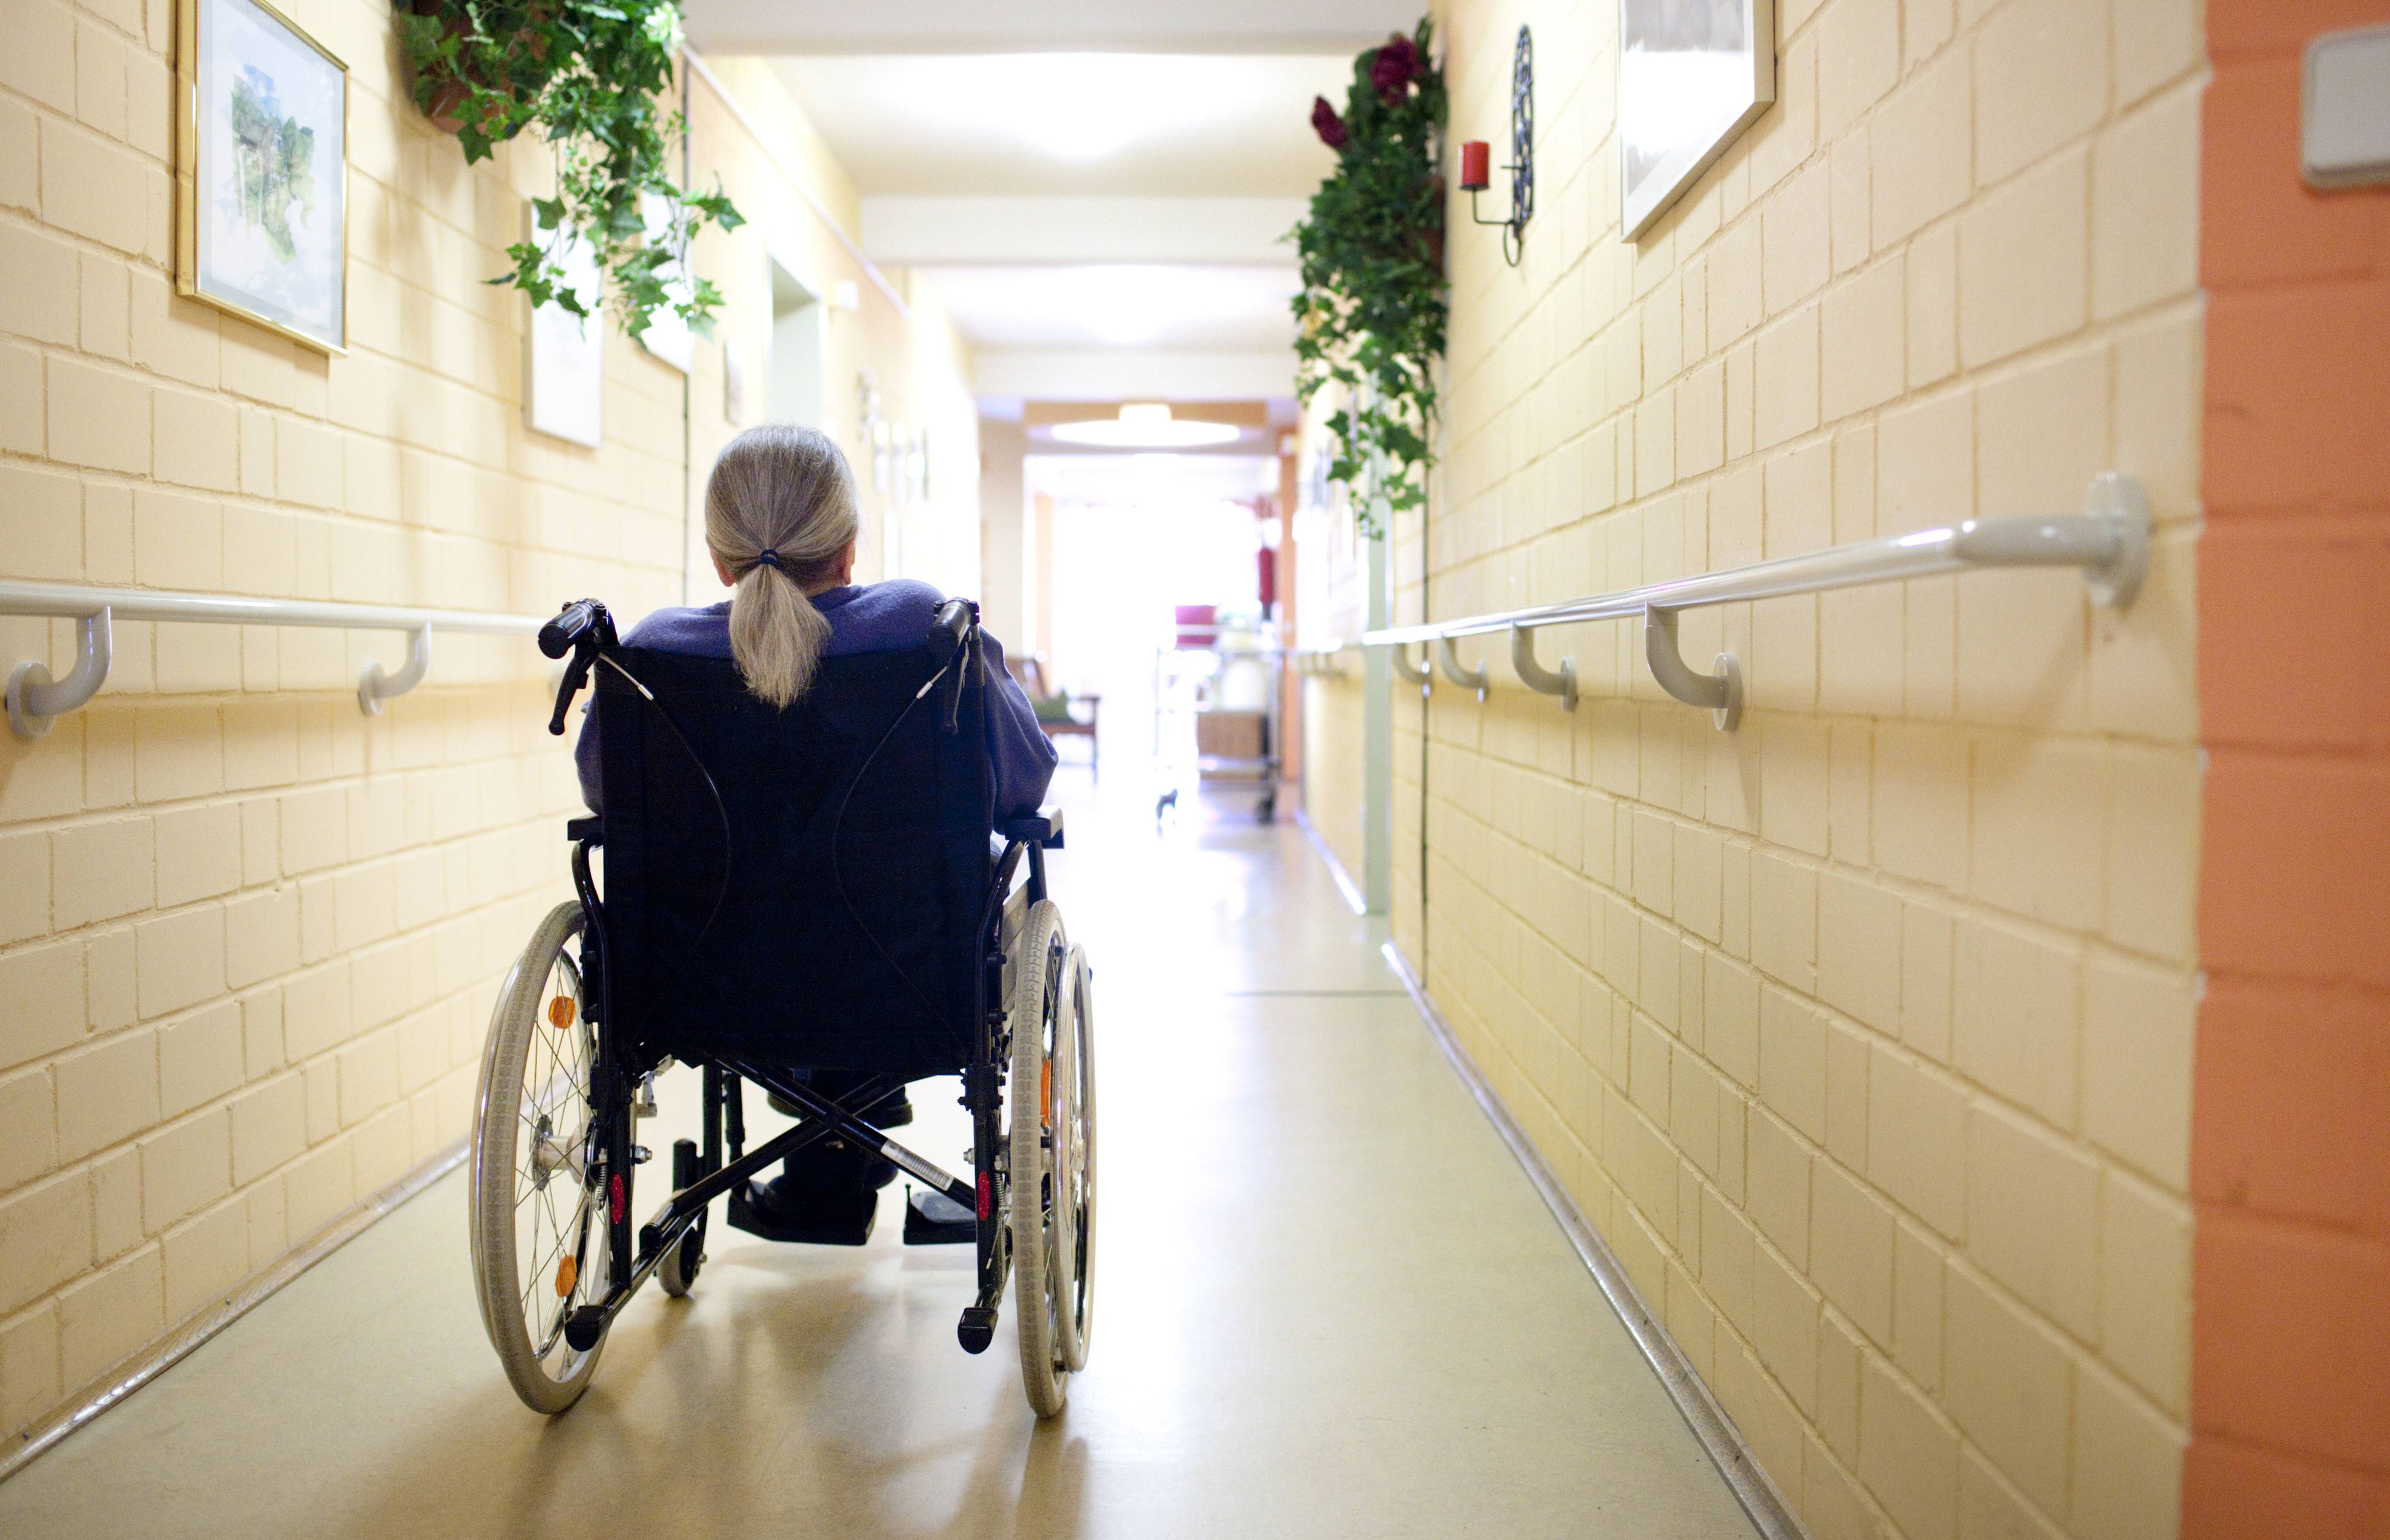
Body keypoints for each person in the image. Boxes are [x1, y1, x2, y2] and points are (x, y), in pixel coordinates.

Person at [574, 424, 1058, 1246]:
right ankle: (853, 1121)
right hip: (906, 972)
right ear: (847, 549)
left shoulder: (653, 652)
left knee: (778, 893)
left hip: (704, 980)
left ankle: (828, 1160)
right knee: (879, 883)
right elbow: (1023, 777)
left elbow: (609, 796)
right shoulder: (923, 630)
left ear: (721, 558)